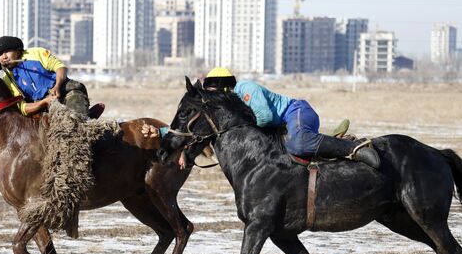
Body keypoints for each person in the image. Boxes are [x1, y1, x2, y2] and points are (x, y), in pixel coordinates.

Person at [143, 67, 380, 169]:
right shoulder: (229, 104)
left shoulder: (246, 88)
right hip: (284, 125)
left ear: (224, 88)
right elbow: (204, 129)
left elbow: (265, 118)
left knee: (298, 143)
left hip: (296, 112)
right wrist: (164, 133)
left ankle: (354, 147)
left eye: (214, 93)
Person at [0, 36, 90, 116]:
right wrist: (43, 103)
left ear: (17, 51)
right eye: (0, 55)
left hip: (63, 90)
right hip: (41, 106)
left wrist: (57, 86)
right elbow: (21, 107)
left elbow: (60, 67)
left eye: (6, 51)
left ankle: (85, 119)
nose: (4, 57)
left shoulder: (36, 53)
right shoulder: (7, 80)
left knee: (76, 102)